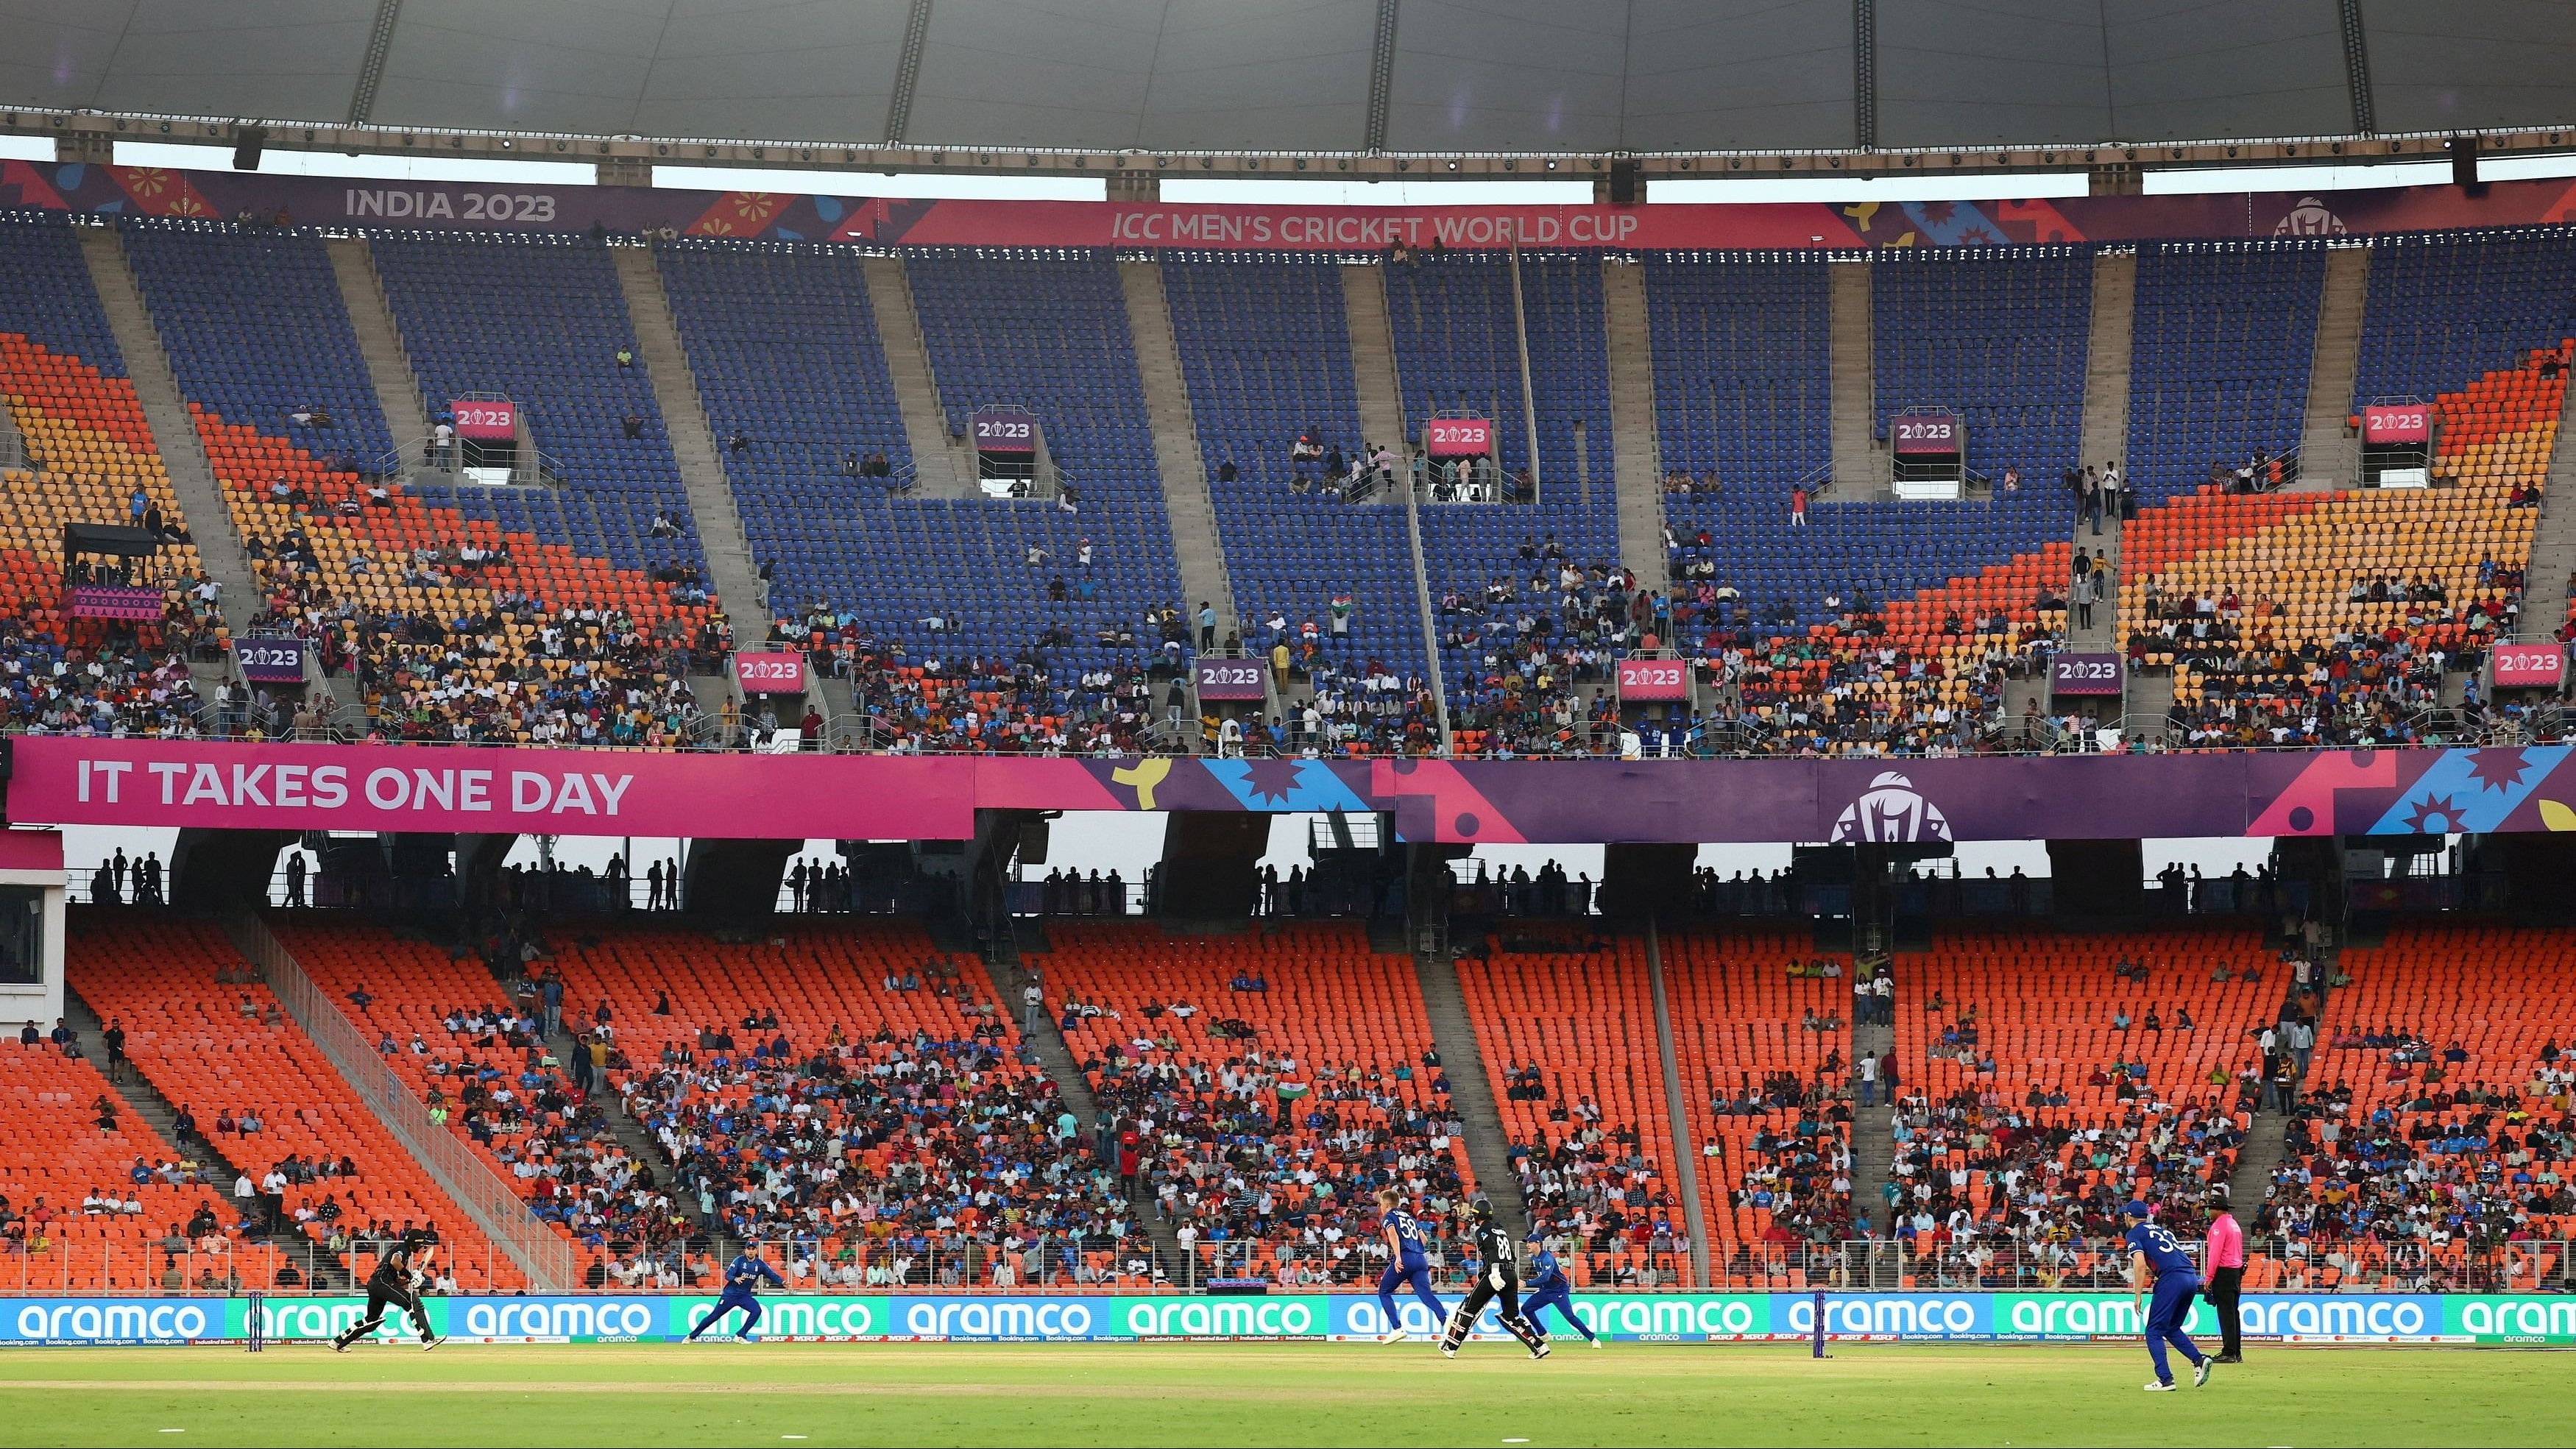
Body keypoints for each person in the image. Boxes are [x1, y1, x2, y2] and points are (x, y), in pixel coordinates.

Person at [1438, 1199, 1546, 1361]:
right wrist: (1504, 1273)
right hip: (1510, 1274)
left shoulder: (1482, 1231)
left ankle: (1451, 1346)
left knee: (1468, 1308)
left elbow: (1492, 1250)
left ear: (1478, 1215)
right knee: (1511, 1316)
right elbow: (1513, 1256)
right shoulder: (1501, 1231)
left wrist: (1494, 1271)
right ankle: (1539, 1346)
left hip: (1496, 1273)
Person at [2124, 1202, 2211, 1392]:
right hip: (2190, 1278)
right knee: (2170, 1328)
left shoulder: (2134, 1233)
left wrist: (2137, 1295)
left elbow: (2139, 1264)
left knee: (2153, 1331)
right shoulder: (2164, 1231)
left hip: (2171, 1279)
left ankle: (2165, 1379)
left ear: (2129, 1216)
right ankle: (2199, 1359)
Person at [331, 1232, 440, 1351]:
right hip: (381, 1282)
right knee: (412, 1304)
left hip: (376, 1283)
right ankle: (427, 1339)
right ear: (414, 1243)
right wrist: (410, 1276)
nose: (421, 1248)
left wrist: (411, 1280)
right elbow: (395, 1261)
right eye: (421, 1245)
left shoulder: (404, 1253)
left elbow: (395, 1282)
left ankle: (337, 1342)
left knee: (371, 1319)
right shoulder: (402, 1249)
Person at [1371, 1187, 1446, 1344]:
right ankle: (1446, 1322)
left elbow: (1392, 1234)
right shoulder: (1409, 1217)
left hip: (1405, 1257)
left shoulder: (1388, 1218)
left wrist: (1398, 1256)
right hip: (1420, 1258)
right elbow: (1424, 1239)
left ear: (1385, 1205)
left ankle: (1397, 1329)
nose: (1380, 1208)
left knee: (1384, 1292)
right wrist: (1414, 1250)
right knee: (1426, 1295)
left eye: (1380, 1205)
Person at [1519, 1231, 1599, 1347]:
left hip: (1559, 1291)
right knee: (1526, 1309)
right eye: (1527, 1243)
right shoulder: (1534, 1258)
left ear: (1538, 1243)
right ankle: (1543, 1333)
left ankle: (1593, 1339)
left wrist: (1526, 1283)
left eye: (1530, 1242)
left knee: (1569, 1317)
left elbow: (1545, 1277)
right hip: (1545, 1291)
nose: (1527, 1245)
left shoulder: (1547, 1258)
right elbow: (1542, 1278)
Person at [688, 1247, 786, 1341]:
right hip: (730, 1295)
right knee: (714, 1316)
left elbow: (771, 1274)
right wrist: (735, 1278)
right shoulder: (739, 1261)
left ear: (756, 1251)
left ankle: (741, 1335)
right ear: (745, 1251)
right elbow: (728, 1275)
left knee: (757, 1310)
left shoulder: (760, 1264)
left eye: (753, 1249)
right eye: (749, 1249)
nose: (751, 1251)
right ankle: (691, 1336)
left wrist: (782, 1282)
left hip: (744, 1296)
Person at [2205, 1205, 2246, 1364]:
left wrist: (2209, 1276)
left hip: (2224, 1272)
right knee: (2233, 1313)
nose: (2209, 1212)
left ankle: (2228, 1352)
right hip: (2235, 1272)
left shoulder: (2219, 1226)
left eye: (2211, 1209)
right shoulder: (2234, 1224)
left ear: (2218, 1209)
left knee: (2226, 1313)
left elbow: (2215, 1253)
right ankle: (2236, 1352)